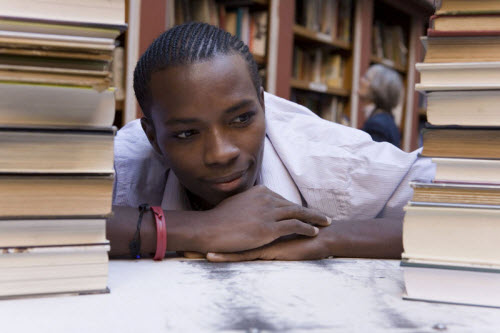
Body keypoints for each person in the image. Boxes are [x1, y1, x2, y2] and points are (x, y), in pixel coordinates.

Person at [108, 22, 434, 262]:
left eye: (241, 119)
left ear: (263, 107)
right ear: (153, 137)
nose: (221, 153)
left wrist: (329, 237)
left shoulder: (331, 159)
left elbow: (473, 213)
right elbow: (58, 218)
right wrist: (201, 227)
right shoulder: (126, 157)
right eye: (186, 134)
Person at [359, 64, 402, 147]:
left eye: (366, 78)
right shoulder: (386, 119)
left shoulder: (377, 125)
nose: (361, 80)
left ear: (377, 88)